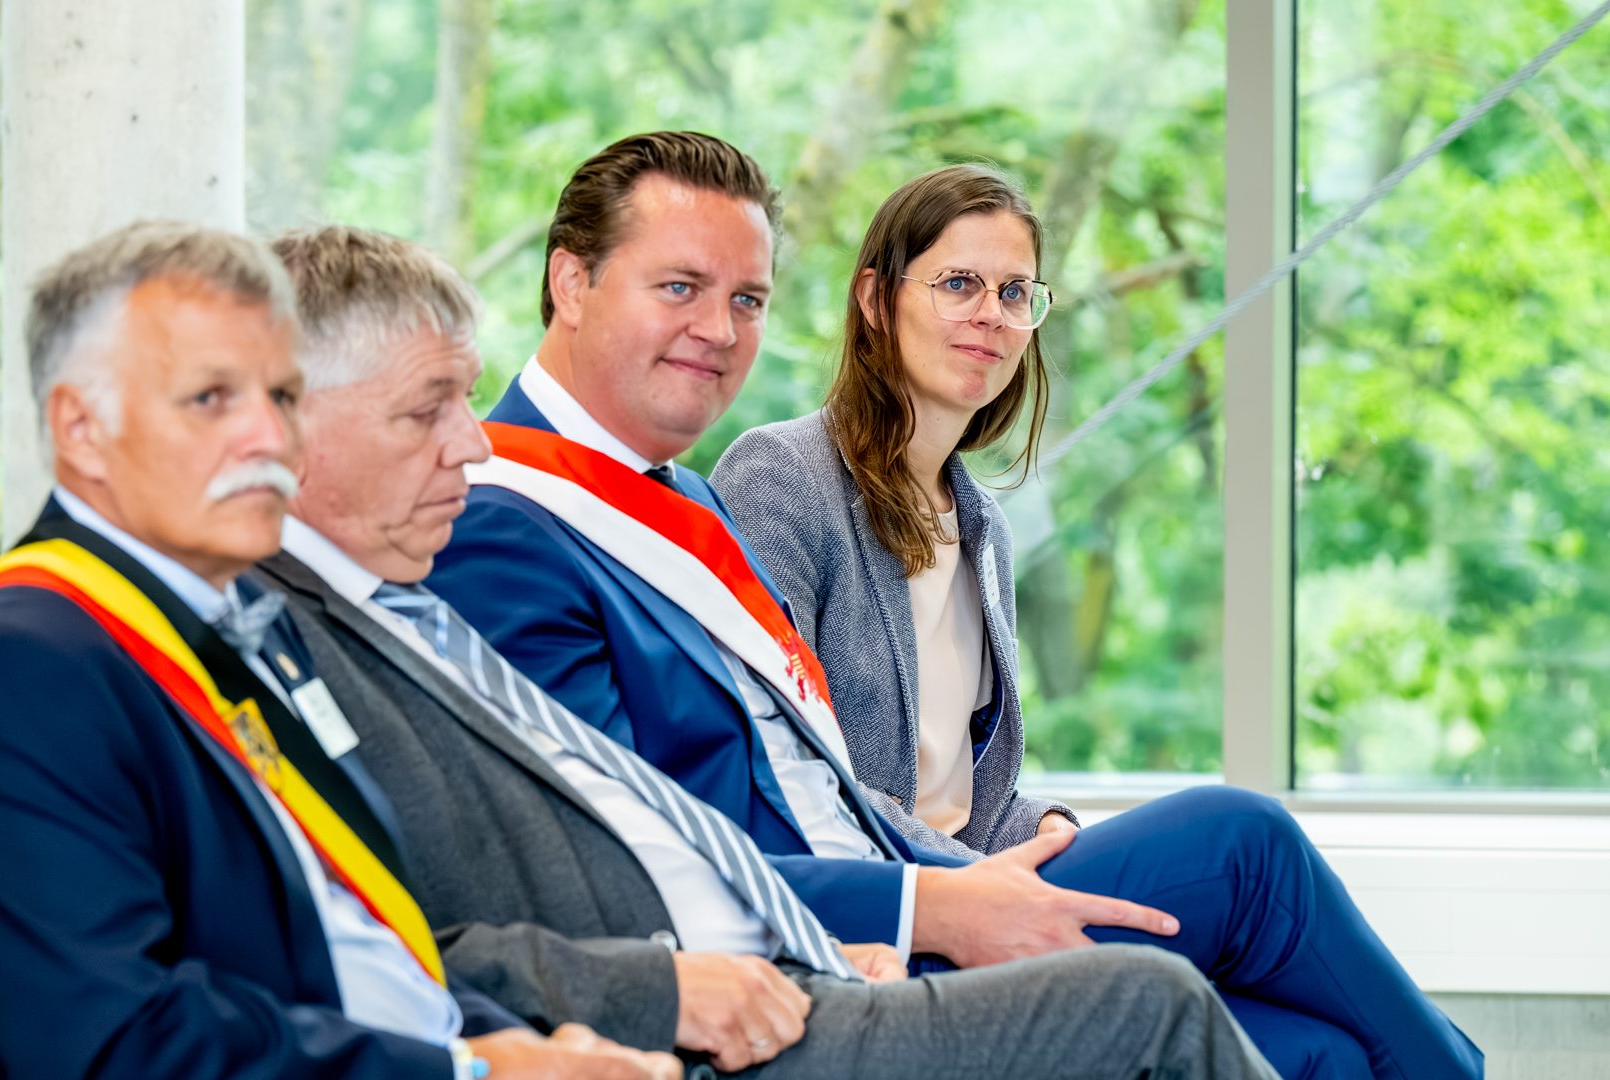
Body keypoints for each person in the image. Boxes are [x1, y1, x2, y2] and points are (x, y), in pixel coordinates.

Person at [425, 131, 1482, 1080]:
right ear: (571, 282)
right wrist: (940, 898)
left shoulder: (691, 501)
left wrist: (1012, 849)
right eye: (679, 287)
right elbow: (616, 865)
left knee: (1325, 1053)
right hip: (825, 952)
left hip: (895, 894)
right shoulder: (514, 518)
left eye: (747, 300)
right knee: (1240, 841)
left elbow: (860, 779)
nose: (720, 329)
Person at [252, 223, 1280, 1080]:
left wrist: (833, 923)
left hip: (810, 930)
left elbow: (693, 809)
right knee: (1189, 934)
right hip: (720, 992)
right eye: (680, 286)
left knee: (1287, 1012)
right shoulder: (460, 558)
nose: (470, 441)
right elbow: (401, 935)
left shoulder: (423, 598)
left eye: (749, 298)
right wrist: (684, 981)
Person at [0, 221, 679, 1080]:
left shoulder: (237, 616)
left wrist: (528, 1048)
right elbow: (106, 1041)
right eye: (211, 398)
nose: (269, 439)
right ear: (81, 428)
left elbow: (369, 941)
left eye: (281, 397)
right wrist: (472, 1071)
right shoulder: (28, 659)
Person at [713, 164, 1066, 860]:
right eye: (958, 284)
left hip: (969, 883)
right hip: (873, 898)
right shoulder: (779, 477)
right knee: (1239, 835)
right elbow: (785, 769)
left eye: (1014, 291)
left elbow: (963, 801)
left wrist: (1048, 829)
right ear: (875, 300)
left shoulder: (984, 530)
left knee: (1226, 855)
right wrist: (980, 882)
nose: (992, 314)